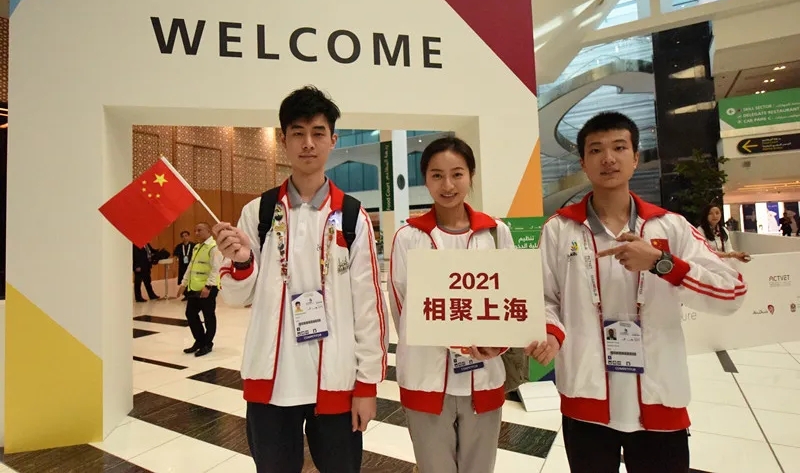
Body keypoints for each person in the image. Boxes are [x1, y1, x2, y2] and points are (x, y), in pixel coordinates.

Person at [526, 112, 747, 473]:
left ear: (635, 158)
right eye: (596, 150)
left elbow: (733, 291)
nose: (608, 158)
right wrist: (551, 332)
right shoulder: (559, 230)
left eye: (619, 147)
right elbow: (544, 298)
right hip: (586, 397)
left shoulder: (670, 227)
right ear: (583, 163)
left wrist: (663, 263)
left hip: (659, 397)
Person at [212, 86, 388, 473]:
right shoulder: (258, 212)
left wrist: (367, 385)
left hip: (336, 379)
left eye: (318, 133)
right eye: (298, 133)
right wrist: (242, 262)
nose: (308, 143)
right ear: (283, 140)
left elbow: (369, 307)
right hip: (271, 381)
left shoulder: (351, 215)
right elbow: (234, 297)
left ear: (333, 140)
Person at [388, 137, 513, 473]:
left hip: (484, 375)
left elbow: (508, 301)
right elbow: (402, 309)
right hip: (425, 379)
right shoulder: (409, 237)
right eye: (437, 175)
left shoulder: (496, 233)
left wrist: (495, 342)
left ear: (471, 175)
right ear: (425, 179)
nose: (447, 185)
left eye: (457, 174)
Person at [178, 222, 222, 357]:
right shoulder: (196, 247)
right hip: (194, 288)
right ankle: (200, 340)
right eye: (195, 230)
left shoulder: (214, 247)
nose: (196, 233)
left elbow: (216, 268)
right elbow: (191, 266)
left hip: (208, 288)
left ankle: (208, 343)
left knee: (208, 316)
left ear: (208, 231)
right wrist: (183, 284)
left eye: (200, 230)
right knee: (190, 314)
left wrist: (208, 286)